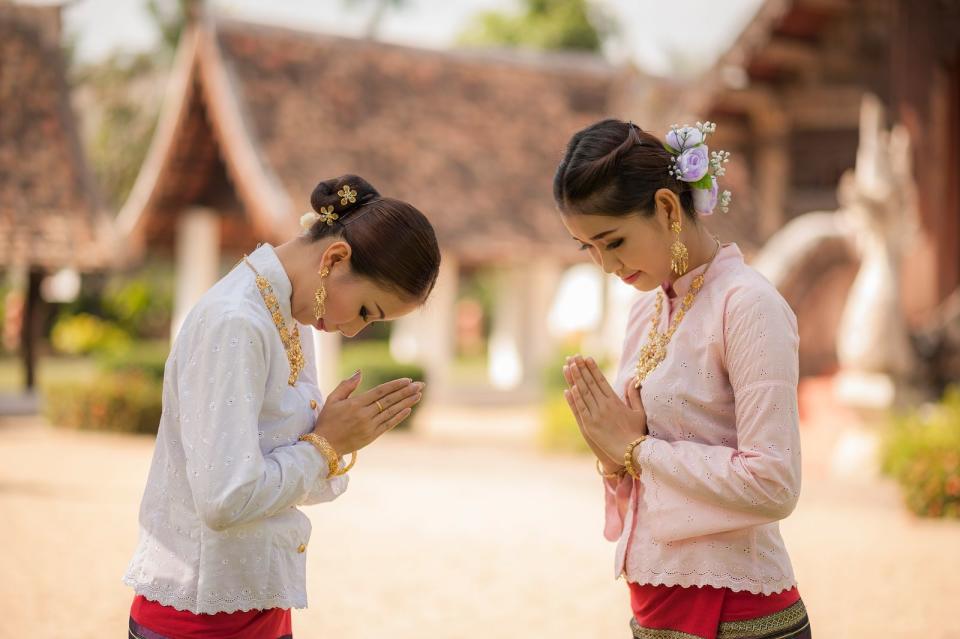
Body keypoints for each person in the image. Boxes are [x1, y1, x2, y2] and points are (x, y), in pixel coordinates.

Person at [123, 175, 441, 639]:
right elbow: (224, 499)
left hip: (261, 605)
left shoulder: (287, 316)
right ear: (335, 258)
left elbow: (288, 486)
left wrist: (334, 442)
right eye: (367, 311)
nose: (353, 330)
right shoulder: (236, 322)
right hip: (196, 620)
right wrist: (323, 446)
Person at [553, 119, 811, 639]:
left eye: (613, 240)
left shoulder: (748, 305)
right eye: (588, 248)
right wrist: (612, 456)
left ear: (668, 208)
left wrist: (636, 451)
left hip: (740, 614)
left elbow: (775, 482)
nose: (605, 264)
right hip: (655, 607)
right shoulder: (644, 310)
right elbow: (644, 468)